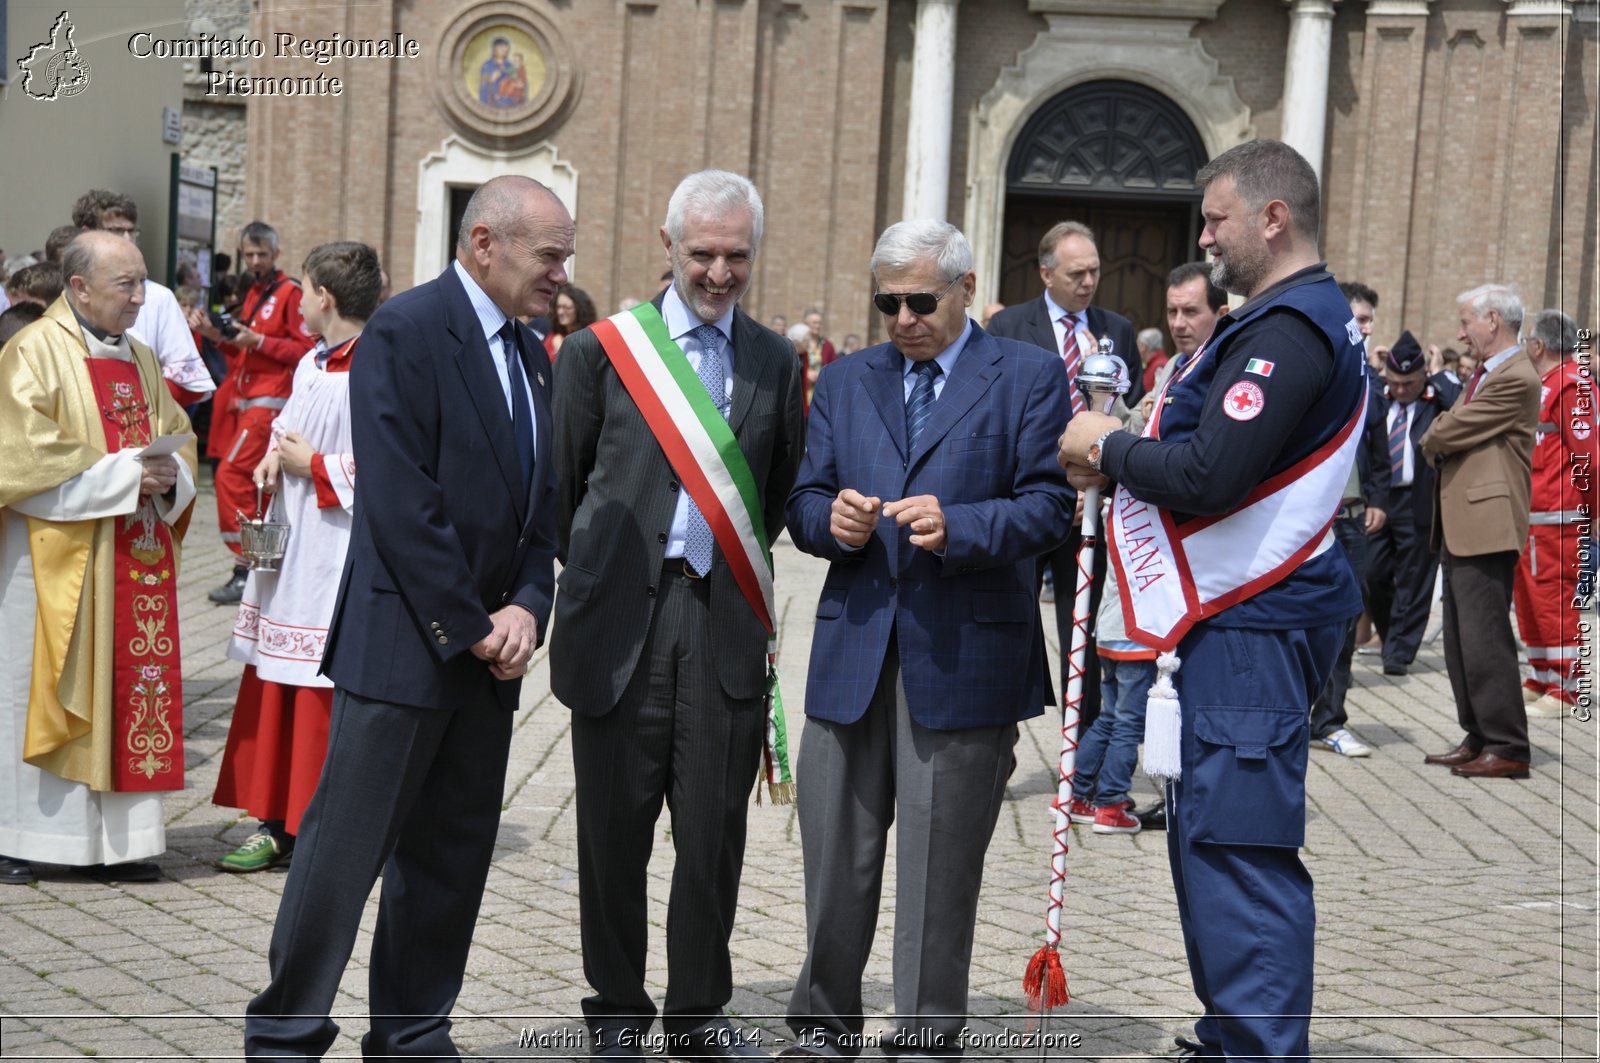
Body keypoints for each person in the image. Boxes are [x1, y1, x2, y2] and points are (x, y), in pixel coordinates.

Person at [243, 176, 568, 1058]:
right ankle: (285, 1033)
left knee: (450, 858)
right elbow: (400, 498)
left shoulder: (535, 353)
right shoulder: (408, 329)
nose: (561, 277)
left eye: (566, 259)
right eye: (549, 256)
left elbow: (544, 504)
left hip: (489, 656)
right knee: (341, 858)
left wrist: (530, 606)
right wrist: (472, 623)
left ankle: (414, 1032)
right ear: (485, 244)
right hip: (405, 647)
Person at [1059, 139, 1366, 1061]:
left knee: (1239, 852)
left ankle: (1260, 1049)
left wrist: (1108, 444)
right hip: (1232, 626)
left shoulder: (1287, 331)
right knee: (1205, 841)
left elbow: (1211, 471)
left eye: (1215, 218)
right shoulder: (1283, 318)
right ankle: (1229, 1032)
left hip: (1254, 628)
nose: (1204, 235)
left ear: (1273, 219)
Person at [783, 219, 1073, 1060]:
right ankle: (823, 1028)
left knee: (939, 870)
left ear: (965, 288)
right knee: (834, 859)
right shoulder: (844, 381)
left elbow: (1051, 506)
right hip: (853, 651)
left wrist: (963, 525)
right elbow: (803, 497)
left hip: (965, 655)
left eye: (921, 300)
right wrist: (829, 521)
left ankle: (924, 1035)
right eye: (888, 302)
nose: (904, 317)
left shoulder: (1027, 374)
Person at [550, 170, 803, 1062]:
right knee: (612, 837)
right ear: (669, 247)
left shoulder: (778, 359)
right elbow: (563, 490)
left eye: (737, 254)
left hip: (722, 619)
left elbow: (770, 494)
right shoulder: (602, 352)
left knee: (712, 838)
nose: (720, 271)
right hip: (621, 623)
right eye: (703, 253)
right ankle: (616, 1011)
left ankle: (698, 1013)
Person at [0, 231, 199, 886]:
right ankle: (28, 837)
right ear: (78, 287)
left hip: (132, 557)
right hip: (51, 561)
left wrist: (173, 476)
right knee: (40, 687)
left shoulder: (141, 358)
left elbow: (180, 436)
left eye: (143, 282)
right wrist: (123, 478)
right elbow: (20, 456)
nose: (142, 298)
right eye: (127, 285)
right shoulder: (32, 352)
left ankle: (125, 843)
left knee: (130, 687)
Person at [211, 241, 382, 872]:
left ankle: (320, 823)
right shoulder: (313, 360)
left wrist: (312, 465)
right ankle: (270, 817)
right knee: (273, 677)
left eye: (304, 290)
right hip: (291, 542)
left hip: (336, 549)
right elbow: (291, 421)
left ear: (325, 297)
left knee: (318, 684)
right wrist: (269, 454)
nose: (298, 300)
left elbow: (397, 465)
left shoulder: (378, 366)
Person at [989, 221, 1139, 731]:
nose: (1088, 281)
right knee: (1010, 624)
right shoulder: (1008, 327)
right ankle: (997, 744)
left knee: (1084, 630)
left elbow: (1128, 418)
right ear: (1046, 274)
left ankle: (1083, 754)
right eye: (1077, 272)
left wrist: (1099, 482)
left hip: (1089, 510)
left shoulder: (1116, 329)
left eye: (1095, 271)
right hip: (1026, 501)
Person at [1419, 284, 1541, 779]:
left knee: (1486, 637)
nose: (1460, 332)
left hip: (1487, 525)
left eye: (1466, 321)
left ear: (1493, 319)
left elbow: (1449, 430)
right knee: (1460, 640)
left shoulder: (1515, 376)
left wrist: (1435, 434)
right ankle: (1479, 735)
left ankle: (1508, 745)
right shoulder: (1491, 373)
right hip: (1465, 523)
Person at [187, 221, 316, 605]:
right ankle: (253, 564)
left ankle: (247, 564)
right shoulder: (255, 293)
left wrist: (257, 339)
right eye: (249, 254)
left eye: (262, 254)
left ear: (276, 254)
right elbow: (246, 352)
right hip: (243, 405)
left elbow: (304, 350)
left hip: (268, 405)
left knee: (229, 478)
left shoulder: (289, 293)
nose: (255, 260)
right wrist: (217, 337)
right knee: (245, 482)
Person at [1363, 333, 1458, 679]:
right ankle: (1391, 635)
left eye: (1409, 383)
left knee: (1414, 578)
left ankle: (1399, 652)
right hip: (1381, 499)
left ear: (1423, 378)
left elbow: (1461, 402)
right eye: (1396, 382)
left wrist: (1439, 374)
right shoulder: (1379, 396)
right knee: (1372, 574)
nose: (1401, 390)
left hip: (1418, 499)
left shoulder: (1436, 400)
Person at [1515, 310, 1593, 716]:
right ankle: (1542, 674)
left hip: (1559, 517)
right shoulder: (1545, 385)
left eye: (1527, 338)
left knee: (1554, 599)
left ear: (1540, 345)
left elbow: (1590, 456)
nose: (1524, 344)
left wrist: (1594, 512)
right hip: (1534, 516)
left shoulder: (1571, 385)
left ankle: (1567, 687)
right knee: (1530, 600)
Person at [72, 191, 216, 407]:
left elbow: (190, 386)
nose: (128, 240)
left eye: (132, 231)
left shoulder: (158, 298)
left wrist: (133, 405)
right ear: (87, 235)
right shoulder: (67, 293)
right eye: (116, 231)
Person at [545, 283, 597, 359]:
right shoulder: (553, 337)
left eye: (566, 307)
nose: (560, 312)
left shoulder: (589, 340)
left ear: (579, 309)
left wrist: (561, 350)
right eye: (558, 307)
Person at [1137, 326, 1169, 394]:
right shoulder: (1152, 364)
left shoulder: (1160, 366)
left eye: (1138, 344)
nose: (1137, 349)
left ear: (1144, 346)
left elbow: (1158, 394)